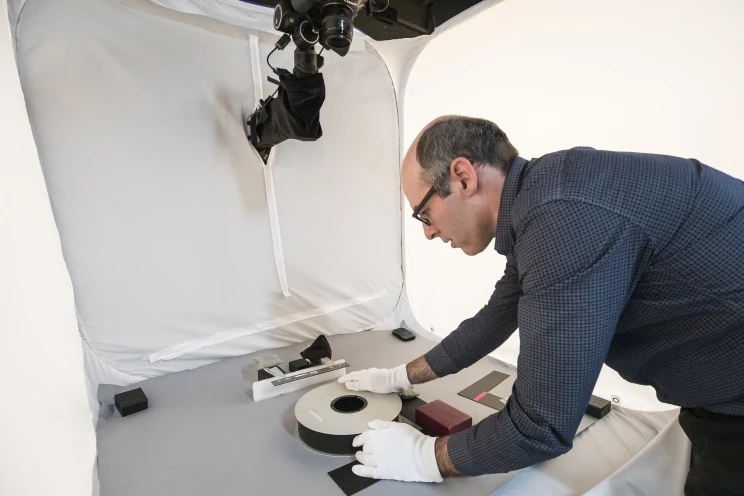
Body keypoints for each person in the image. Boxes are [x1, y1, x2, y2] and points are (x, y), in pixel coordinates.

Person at [338, 115, 744, 495]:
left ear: (462, 176)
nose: (427, 232)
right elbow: (497, 315)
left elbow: (540, 425)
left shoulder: (564, 221)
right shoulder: (549, 193)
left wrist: (425, 457)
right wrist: (402, 376)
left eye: (424, 213)